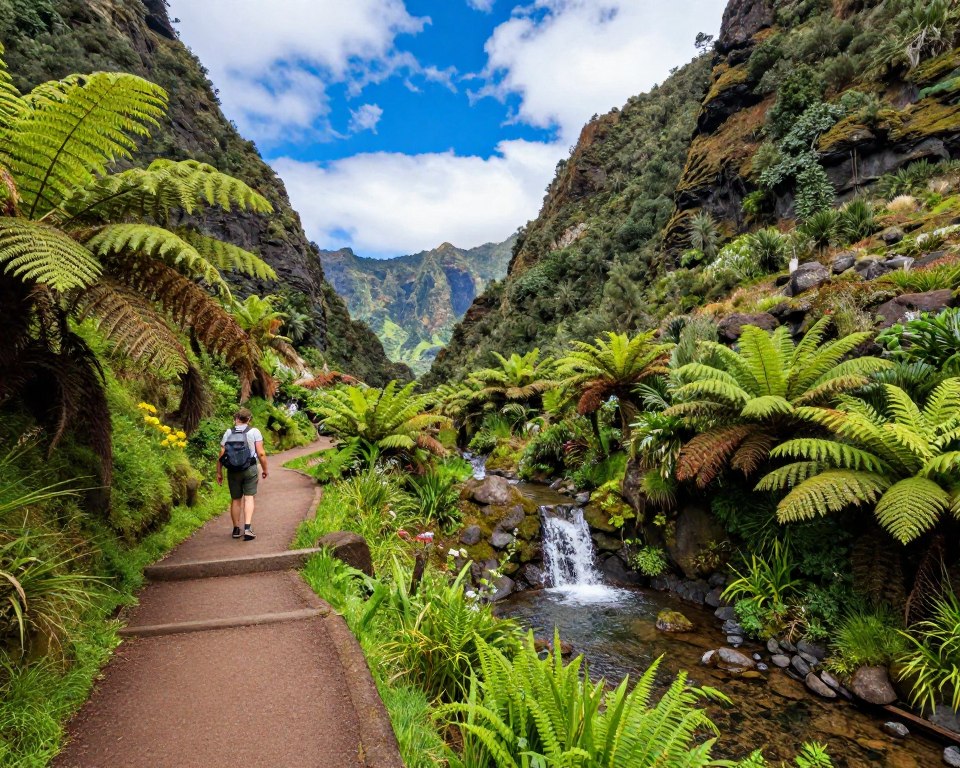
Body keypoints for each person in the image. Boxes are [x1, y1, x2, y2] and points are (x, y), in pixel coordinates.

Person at [216, 408, 268, 540]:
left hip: (232, 470)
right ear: (249, 419)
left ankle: (235, 529)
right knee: (249, 497)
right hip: (250, 468)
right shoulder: (254, 432)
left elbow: (222, 453)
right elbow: (261, 453)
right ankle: (248, 528)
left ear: (236, 419)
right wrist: (265, 469)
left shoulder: (229, 432)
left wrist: (219, 472)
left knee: (236, 499)